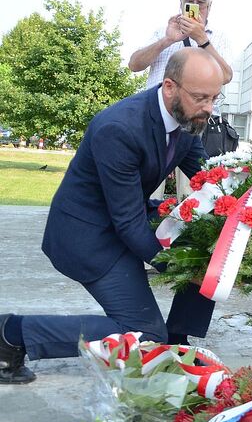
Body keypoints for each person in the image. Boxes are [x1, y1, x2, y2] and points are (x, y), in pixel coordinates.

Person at [0, 48, 222, 384]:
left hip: (123, 219)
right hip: (88, 236)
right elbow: (128, 223)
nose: (209, 108)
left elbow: (208, 179)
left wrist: (247, 215)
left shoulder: (186, 117)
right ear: (169, 87)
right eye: (201, 97)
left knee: (209, 247)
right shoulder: (119, 128)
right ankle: (10, 335)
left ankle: (177, 339)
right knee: (144, 336)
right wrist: (179, 270)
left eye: (214, 98)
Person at [129, 0, 232, 200]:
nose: (195, 6)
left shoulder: (217, 37)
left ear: (209, 7)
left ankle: (184, 232)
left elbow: (226, 76)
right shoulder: (163, 31)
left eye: (200, 3)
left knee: (193, 192)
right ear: (180, 4)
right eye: (189, 2)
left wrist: (201, 39)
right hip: (156, 120)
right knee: (146, 187)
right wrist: (167, 40)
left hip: (194, 122)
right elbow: (134, 64)